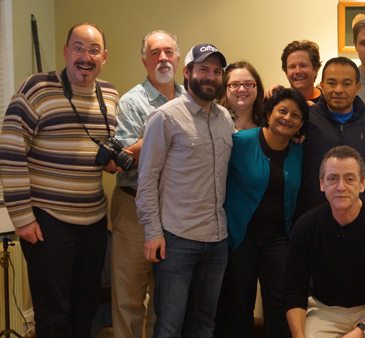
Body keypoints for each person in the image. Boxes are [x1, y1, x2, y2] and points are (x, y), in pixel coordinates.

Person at [0, 23, 119, 337]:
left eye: (94, 50)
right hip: (47, 220)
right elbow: (10, 152)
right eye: (78, 47)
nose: (85, 56)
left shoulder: (110, 94)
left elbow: (98, 148)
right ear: (66, 52)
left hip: (93, 221)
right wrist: (22, 217)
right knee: (53, 315)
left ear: (104, 56)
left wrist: (112, 162)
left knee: (86, 309)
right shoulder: (36, 88)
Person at [136, 43, 234, 338]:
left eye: (217, 71)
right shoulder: (164, 118)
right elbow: (147, 179)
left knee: (204, 323)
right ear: (188, 72)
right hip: (176, 240)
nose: (211, 77)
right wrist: (153, 232)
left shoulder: (225, 119)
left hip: (218, 241)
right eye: (203, 69)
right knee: (169, 325)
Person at [285, 145, 365, 338]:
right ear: (321, 184)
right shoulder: (306, 226)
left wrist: (360, 333)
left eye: (349, 179)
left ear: (362, 183)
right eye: (332, 178)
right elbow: (294, 290)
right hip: (324, 311)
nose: (341, 187)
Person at [215, 88, 309, 338]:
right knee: (238, 304)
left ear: (301, 124)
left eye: (296, 115)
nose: (288, 118)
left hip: (278, 239)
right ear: (269, 113)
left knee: (279, 304)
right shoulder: (241, 142)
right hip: (240, 238)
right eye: (282, 111)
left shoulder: (300, 151)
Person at [111, 30, 183, 338]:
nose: (163, 58)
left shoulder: (190, 97)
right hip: (134, 208)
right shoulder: (131, 102)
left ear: (178, 58)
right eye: (155, 53)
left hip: (176, 212)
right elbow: (123, 160)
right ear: (144, 61)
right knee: (129, 297)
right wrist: (160, 127)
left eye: (168, 52)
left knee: (165, 300)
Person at [296, 56, 365, 218]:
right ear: (322, 85)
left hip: (360, 218)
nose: (338, 90)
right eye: (331, 83)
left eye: (346, 83)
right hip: (314, 219)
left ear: (358, 86)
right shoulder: (305, 120)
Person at [219, 61, 266, 130]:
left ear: (257, 88)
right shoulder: (214, 121)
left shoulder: (268, 122)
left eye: (248, 84)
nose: (242, 89)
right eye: (234, 84)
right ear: (225, 88)